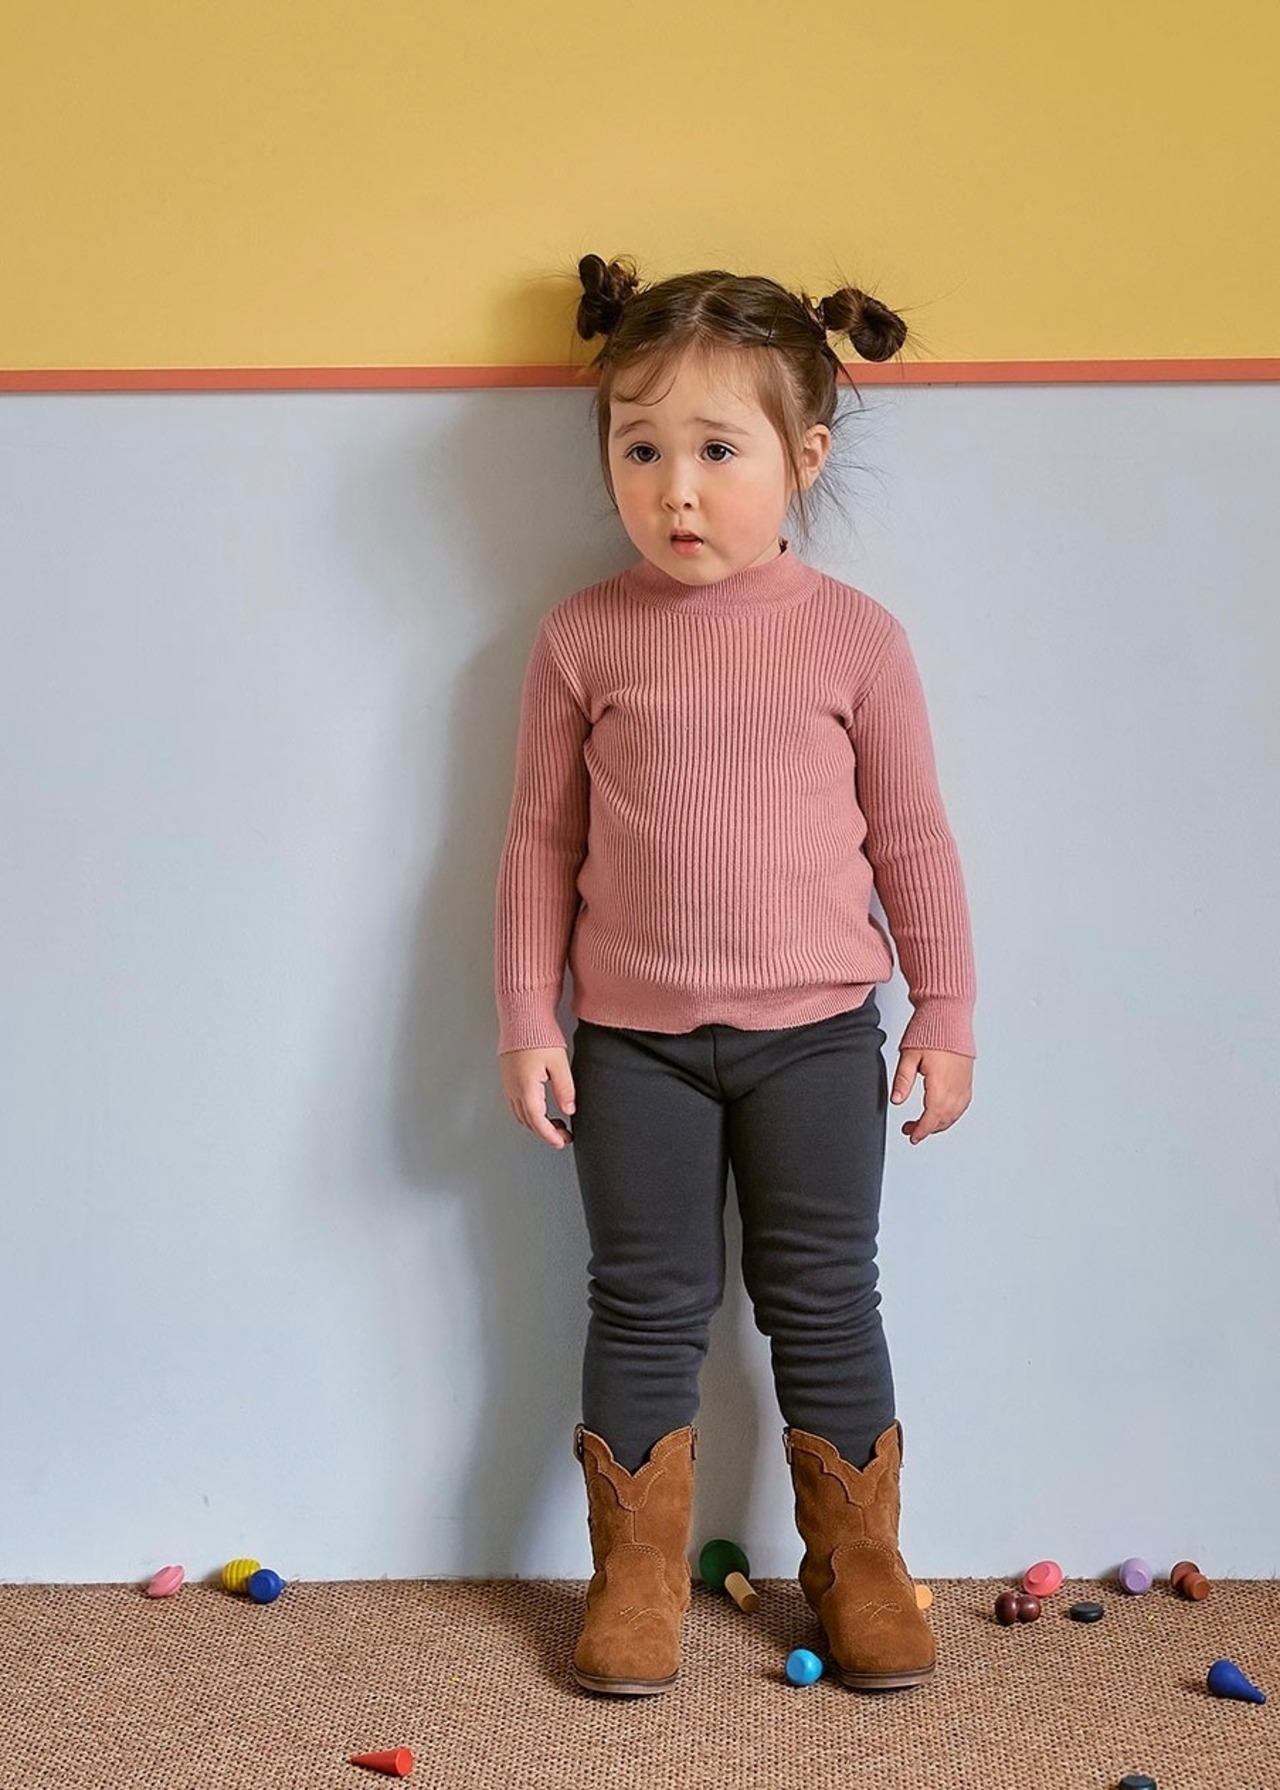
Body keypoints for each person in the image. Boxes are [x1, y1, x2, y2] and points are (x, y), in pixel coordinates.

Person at [494, 253, 977, 1697]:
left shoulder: (855, 639)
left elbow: (912, 834)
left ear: (803, 458)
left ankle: (860, 1562)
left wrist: (946, 1007)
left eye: (717, 451)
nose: (677, 491)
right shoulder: (582, 636)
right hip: (632, 1044)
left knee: (824, 1298)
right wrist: (526, 1012)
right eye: (640, 450)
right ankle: (636, 1575)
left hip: (819, 1038)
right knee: (643, 1302)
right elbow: (537, 838)